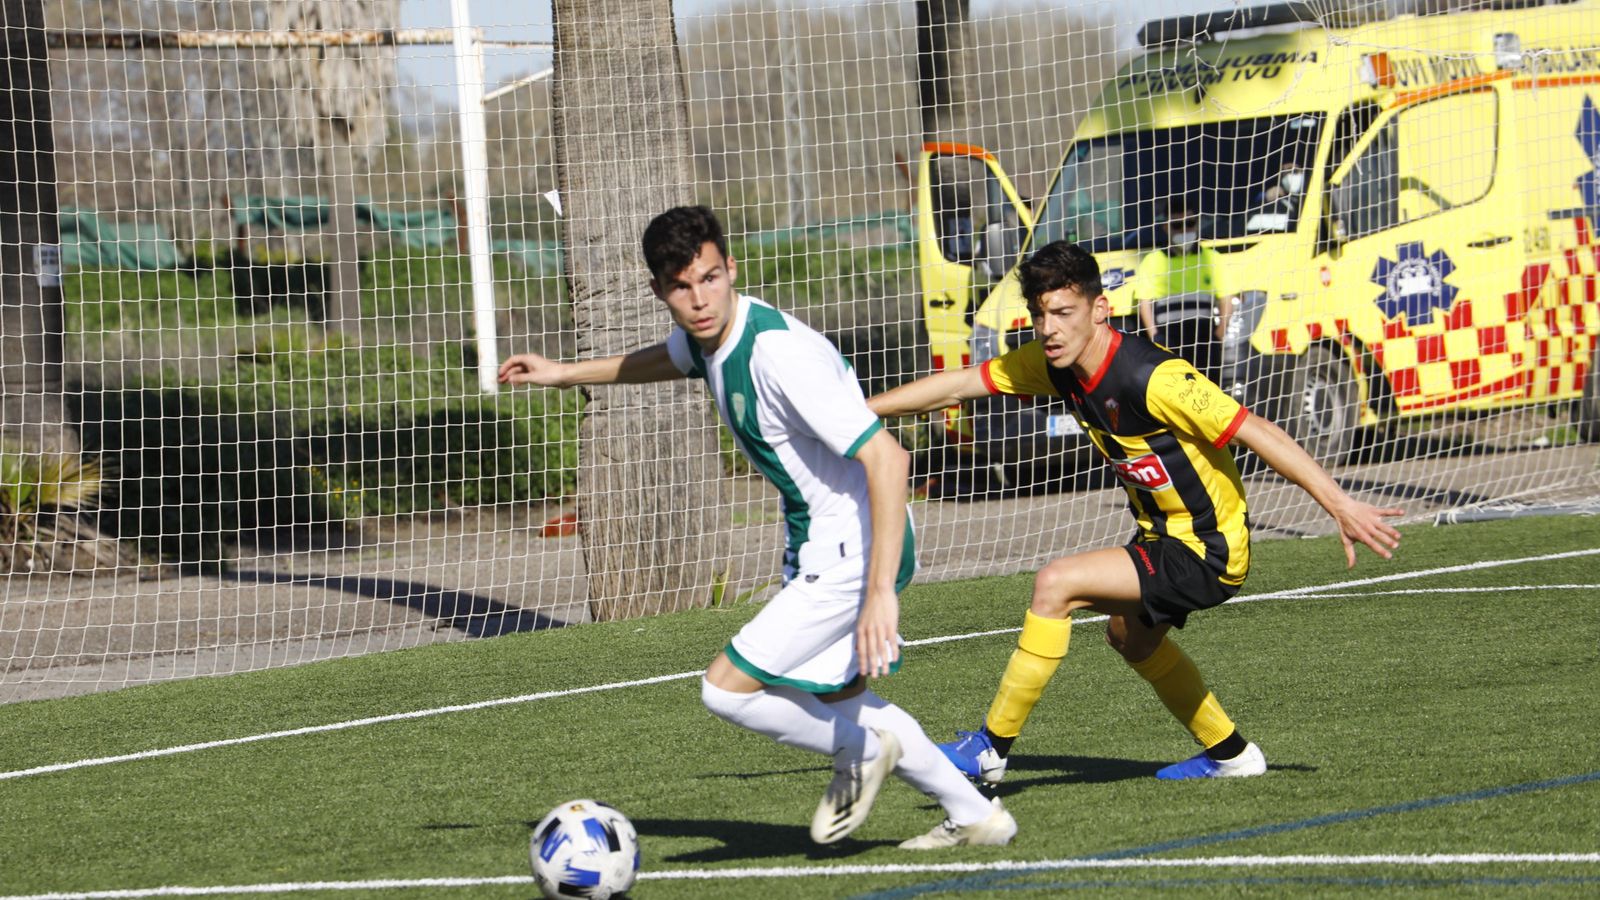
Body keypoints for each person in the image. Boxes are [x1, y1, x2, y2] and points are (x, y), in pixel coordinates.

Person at [498, 205, 1016, 849]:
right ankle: (977, 816)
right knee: (839, 699)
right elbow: (668, 357)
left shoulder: (778, 355)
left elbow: (889, 456)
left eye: (712, 279)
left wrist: (878, 591)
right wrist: (562, 373)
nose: (700, 299)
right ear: (661, 291)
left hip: (856, 544)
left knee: (728, 690)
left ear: (730, 268)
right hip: (820, 539)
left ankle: (859, 754)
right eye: (683, 288)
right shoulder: (708, 335)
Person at [868, 240, 1403, 784]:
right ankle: (1233, 755)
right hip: (1158, 540)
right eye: (1039, 314)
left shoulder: (1155, 377)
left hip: (1207, 549)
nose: (1048, 328)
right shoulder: (1054, 366)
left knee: (1056, 584)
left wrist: (1340, 503)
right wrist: (860, 412)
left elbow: (1256, 430)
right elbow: (959, 385)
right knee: (1131, 638)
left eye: (1062, 313)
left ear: (1101, 310)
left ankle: (989, 750)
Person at [1134, 197, 1227, 385]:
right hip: (1170, 337)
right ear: (1166, 227)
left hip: (1204, 338)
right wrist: (1155, 337)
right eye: (1177, 225)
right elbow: (1144, 302)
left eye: (1190, 223)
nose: (1184, 230)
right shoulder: (1153, 260)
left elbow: (1226, 297)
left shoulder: (1211, 257)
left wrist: (1219, 334)